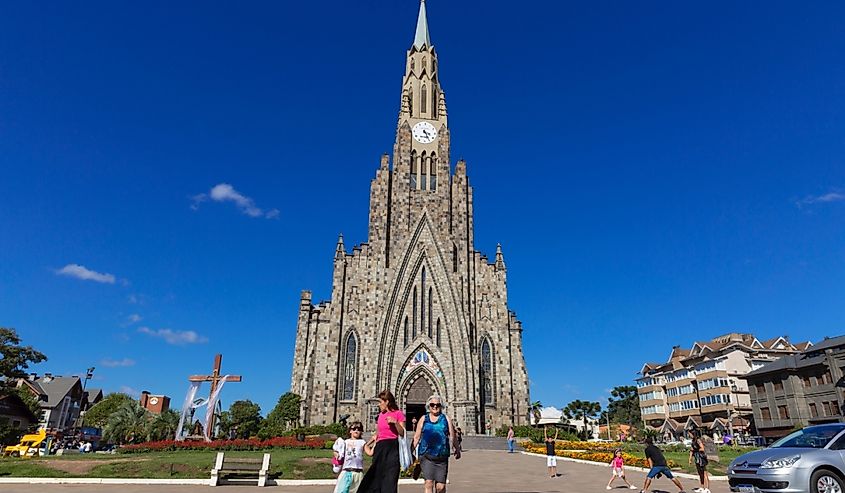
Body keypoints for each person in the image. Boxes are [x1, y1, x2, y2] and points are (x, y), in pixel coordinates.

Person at [359, 390, 406, 493]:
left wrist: (395, 423)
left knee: (390, 480)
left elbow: (402, 433)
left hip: (392, 448)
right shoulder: (381, 415)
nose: (379, 405)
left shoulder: (398, 414)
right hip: (380, 448)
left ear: (387, 402)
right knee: (375, 479)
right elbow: (378, 434)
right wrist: (368, 444)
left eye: (380, 402)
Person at [412, 395, 460, 493]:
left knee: (440, 487)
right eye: (432, 405)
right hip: (426, 455)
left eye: (437, 404)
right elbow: (416, 437)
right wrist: (411, 451)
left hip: (441, 457)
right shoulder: (423, 419)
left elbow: (452, 435)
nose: (435, 407)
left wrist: (457, 449)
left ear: (441, 406)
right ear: (428, 406)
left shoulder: (446, 419)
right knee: (428, 483)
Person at [332, 421, 369, 493]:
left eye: (359, 429)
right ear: (350, 431)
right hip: (347, 471)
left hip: (358, 472)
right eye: (354, 429)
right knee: (342, 490)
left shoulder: (362, 442)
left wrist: (375, 441)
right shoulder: (345, 442)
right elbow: (337, 450)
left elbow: (370, 453)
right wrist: (336, 453)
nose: (356, 430)